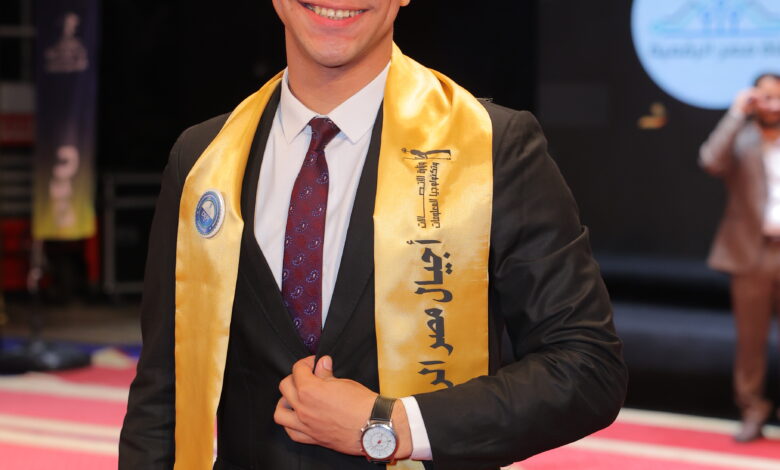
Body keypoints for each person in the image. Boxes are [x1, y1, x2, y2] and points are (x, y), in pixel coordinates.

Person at [119, 1, 627, 469]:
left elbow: (588, 367)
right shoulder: (203, 159)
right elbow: (161, 390)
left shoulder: (490, 148)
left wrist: (393, 426)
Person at [700, 72, 780, 443]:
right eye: (765, 97)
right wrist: (735, 113)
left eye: (778, 97)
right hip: (752, 253)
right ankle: (752, 409)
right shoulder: (742, 138)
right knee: (750, 342)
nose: (772, 104)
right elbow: (710, 160)